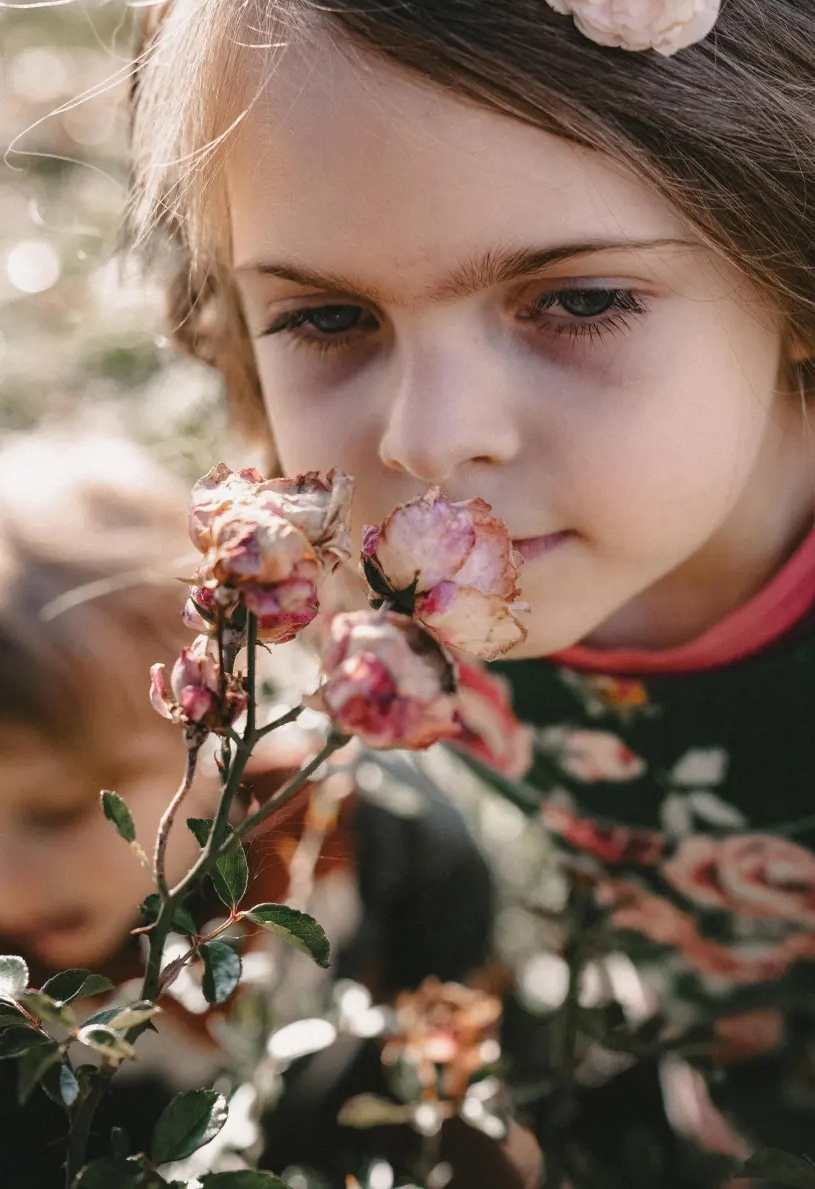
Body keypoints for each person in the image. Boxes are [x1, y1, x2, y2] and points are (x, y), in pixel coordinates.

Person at [125, 0, 815, 1181]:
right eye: (327, 318)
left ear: (809, 236)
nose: (432, 436)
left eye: (578, 299)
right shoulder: (392, 615)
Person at [0, 432, 493, 1185]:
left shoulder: (368, 838)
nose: (8, 882)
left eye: (60, 810)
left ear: (209, 705)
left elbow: (465, 1017)